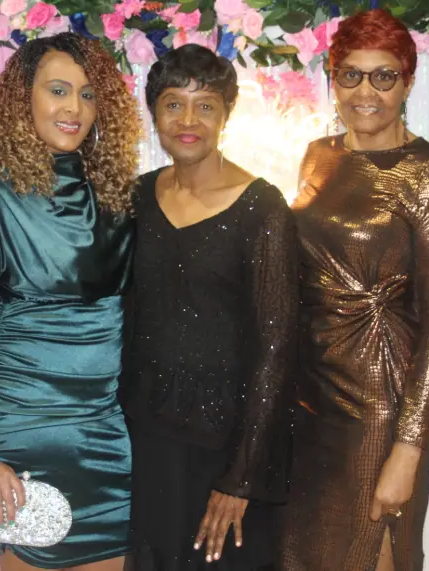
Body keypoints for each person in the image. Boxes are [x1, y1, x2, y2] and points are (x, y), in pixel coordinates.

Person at [0, 33, 139, 571]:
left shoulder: (119, 200)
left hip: (109, 441)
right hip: (24, 440)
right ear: (24, 100)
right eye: (58, 90)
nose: (74, 109)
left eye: (88, 95)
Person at [278, 9, 429, 571]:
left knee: (371, 551)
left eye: (384, 76)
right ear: (332, 80)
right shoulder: (319, 154)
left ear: (407, 82)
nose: (366, 92)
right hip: (308, 398)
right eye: (351, 75)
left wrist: (409, 447)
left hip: (378, 405)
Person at [121, 44, 299, 571]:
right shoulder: (137, 197)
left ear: (226, 113)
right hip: (147, 439)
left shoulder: (262, 207)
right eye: (173, 104)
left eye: (205, 106)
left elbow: (277, 348)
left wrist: (241, 478)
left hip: (227, 446)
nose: (188, 120)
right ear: (154, 112)